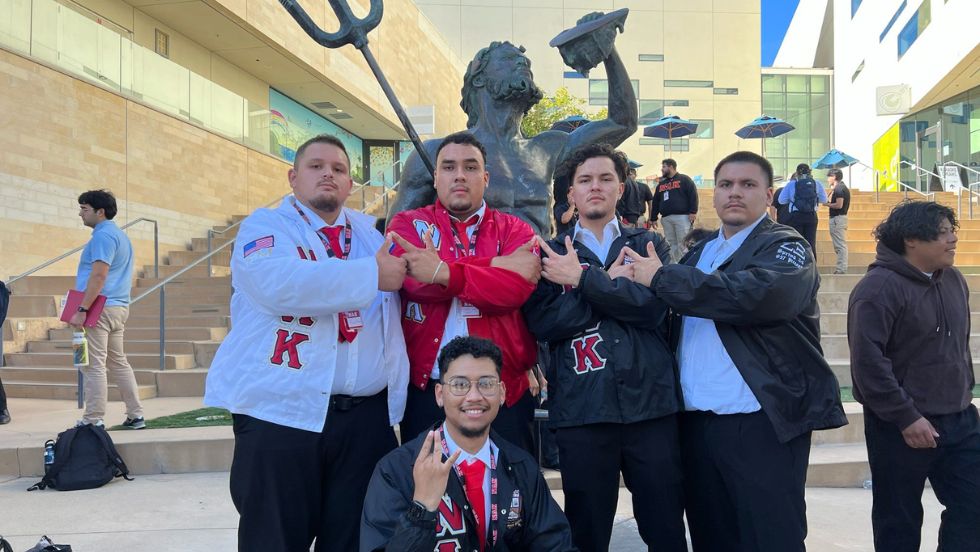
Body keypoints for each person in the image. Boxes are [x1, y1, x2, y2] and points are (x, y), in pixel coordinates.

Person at [629, 151, 847, 552]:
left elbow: (759, 297)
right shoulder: (700, 253)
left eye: (748, 185)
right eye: (726, 185)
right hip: (697, 423)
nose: (735, 193)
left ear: (769, 195)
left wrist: (661, 276)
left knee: (771, 537)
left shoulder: (787, 246)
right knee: (713, 536)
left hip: (761, 422)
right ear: (714, 195)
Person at [204, 134, 410, 552]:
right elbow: (277, 284)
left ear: (351, 184)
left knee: (358, 538)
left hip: (365, 421)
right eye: (316, 167)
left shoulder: (373, 236)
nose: (328, 175)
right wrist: (371, 276)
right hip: (282, 415)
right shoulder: (265, 226)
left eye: (338, 169)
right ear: (293, 177)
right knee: (275, 538)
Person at [523, 144, 685, 552]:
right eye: (585, 180)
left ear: (621, 187)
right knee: (586, 531)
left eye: (605, 178)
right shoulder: (549, 252)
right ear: (571, 194)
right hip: (582, 410)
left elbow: (652, 311)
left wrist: (583, 282)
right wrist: (612, 285)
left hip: (651, 407)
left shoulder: (649, 244)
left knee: (665, 527)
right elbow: (545, 323)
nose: (595, 186)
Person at [388, 28, 638, 235]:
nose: (522, 62)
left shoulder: (547, 149)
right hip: (471, 284)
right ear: (478, 78)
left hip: (539, 283)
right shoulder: (438, 155)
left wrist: (607, 49)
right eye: (508, 59)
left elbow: (622, 122)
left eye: (526, 62)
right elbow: (396, 233)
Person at [389, 132, 543, 454]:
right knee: (432, 498)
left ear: (485, 178)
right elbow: (416, 283)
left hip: (504, 392)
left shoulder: (516, 229)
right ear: (435, 178)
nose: (459, 175)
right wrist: (497, 264)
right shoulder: (407, 224)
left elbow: (513, 291)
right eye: (448, 167)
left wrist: (441, 270)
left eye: (470, 167)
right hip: (429, 392)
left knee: (511, 498)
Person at [360, 336, 576, 552]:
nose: (474, 396)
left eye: (486, 384)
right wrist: (422, 508)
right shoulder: (397, 469)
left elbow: (555, 544)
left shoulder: (521, 466)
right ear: (439, 394)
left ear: (501, 393)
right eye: (460, 384)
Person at [848, 201, 979, 552]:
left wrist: (964, 393)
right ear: (911, 241)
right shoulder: (877, 289)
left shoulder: (953, 279)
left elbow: (958, 348)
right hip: (900, 427)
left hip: (960, 419)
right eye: (943, 233)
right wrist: (907, 417)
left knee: (973, 508)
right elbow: (868, 365)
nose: (953, 239)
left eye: (953, 231)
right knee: (899, 522)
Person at [71, 190, 143, 429]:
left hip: (99, 308)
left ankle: (93, 419)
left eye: (85, 208)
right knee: (118, 363)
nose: (80, 213)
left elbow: (99, 274)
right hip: (117, 307)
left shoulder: (103, 237)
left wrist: (82, 308)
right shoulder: (120, 236)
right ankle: (136, 415)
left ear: (100, 212)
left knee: (93, 365)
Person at [650, 159, 698, 262]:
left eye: (664, 167)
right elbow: (656, 201)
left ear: (671, 167)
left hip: (682, 217)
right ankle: (673, 265)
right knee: (670, 243)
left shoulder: (684, 179)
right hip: (666, 218)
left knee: (683, 242)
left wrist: (693, 212)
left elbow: (693, 195)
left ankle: (684, 264)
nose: (662, 169)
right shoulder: (662, 184)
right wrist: (653, 218)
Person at [778, 163, 827, 256]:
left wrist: (793, 199)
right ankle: (812, 267)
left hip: (796, 216)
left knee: (797, 243)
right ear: (810, 172)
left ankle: (798, 268)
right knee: (811, 243)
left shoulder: (792, 184)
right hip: (811, 216)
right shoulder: (816, 183)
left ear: (797, 173)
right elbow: (824, 199)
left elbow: (781, 200)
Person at [825, 168, 850, 274]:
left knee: (840, 245)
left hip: (837, 218)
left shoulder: (839, 189)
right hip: (840, 218)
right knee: (839, 245)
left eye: (829, 176)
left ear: (834, 177)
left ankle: (841, 269)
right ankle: (841, 268)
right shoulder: (841, 187)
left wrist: (827, 204)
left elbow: (839, 205)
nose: (827, 179)